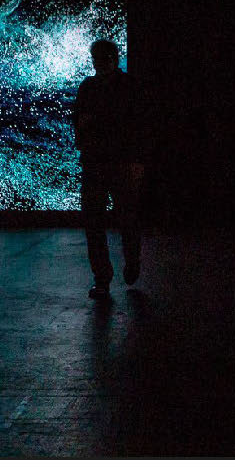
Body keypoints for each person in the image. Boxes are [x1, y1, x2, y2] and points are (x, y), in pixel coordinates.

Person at [73, 39, 145, 299]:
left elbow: (140, 126)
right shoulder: (88, 87)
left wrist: (137, 161)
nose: (98, 64)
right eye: (96, 59)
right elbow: (79, 123)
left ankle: (131, 262)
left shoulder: (129, 87)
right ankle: (102, 278)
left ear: (113, 59)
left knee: (126, 219)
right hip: (95, 163)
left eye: (102, 59)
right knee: (95, 222)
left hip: (120, 162)